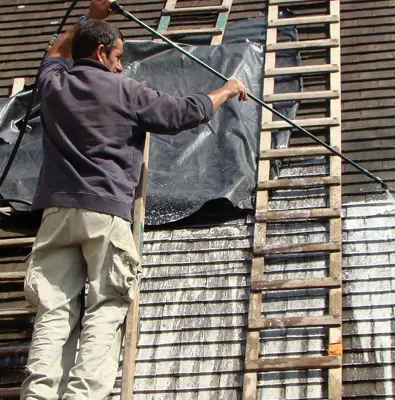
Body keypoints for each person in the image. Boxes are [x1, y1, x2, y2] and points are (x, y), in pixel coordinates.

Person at [20, 0, 248, 398]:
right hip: (104, 213)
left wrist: (92, 16)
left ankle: (38, 394)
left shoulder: (54, 84)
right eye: (118, 56)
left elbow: (57, 51)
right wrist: (227, 89)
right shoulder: (125, 91)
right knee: (106, 306)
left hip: (56, 214)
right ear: (101, 54)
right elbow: (182, 114)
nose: (122, 65)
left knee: (53, 311)